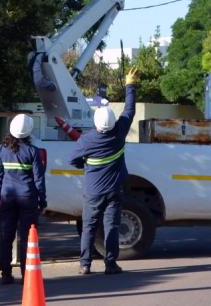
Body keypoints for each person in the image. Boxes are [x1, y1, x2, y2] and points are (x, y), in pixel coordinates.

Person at [70, 67, 138, 275]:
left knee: (89, 227)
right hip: (114, 191)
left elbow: (73, 160)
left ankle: (85, 264)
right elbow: (129, 110)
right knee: (112, 227)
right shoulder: (119, 134)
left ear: (96, 123)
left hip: (92, 192)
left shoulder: (87, 140)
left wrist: (88, 166)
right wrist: (130, 86)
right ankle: (110, 264)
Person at [0, 114, 47, 284]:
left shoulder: (2, 149)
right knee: (27, 238)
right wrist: (42, 201)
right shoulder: (33, 151)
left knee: (5, 236)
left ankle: (6, 273)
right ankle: (27, 274)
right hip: (27, 198)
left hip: (7, 197)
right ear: (29, 132)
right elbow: (39, 179)